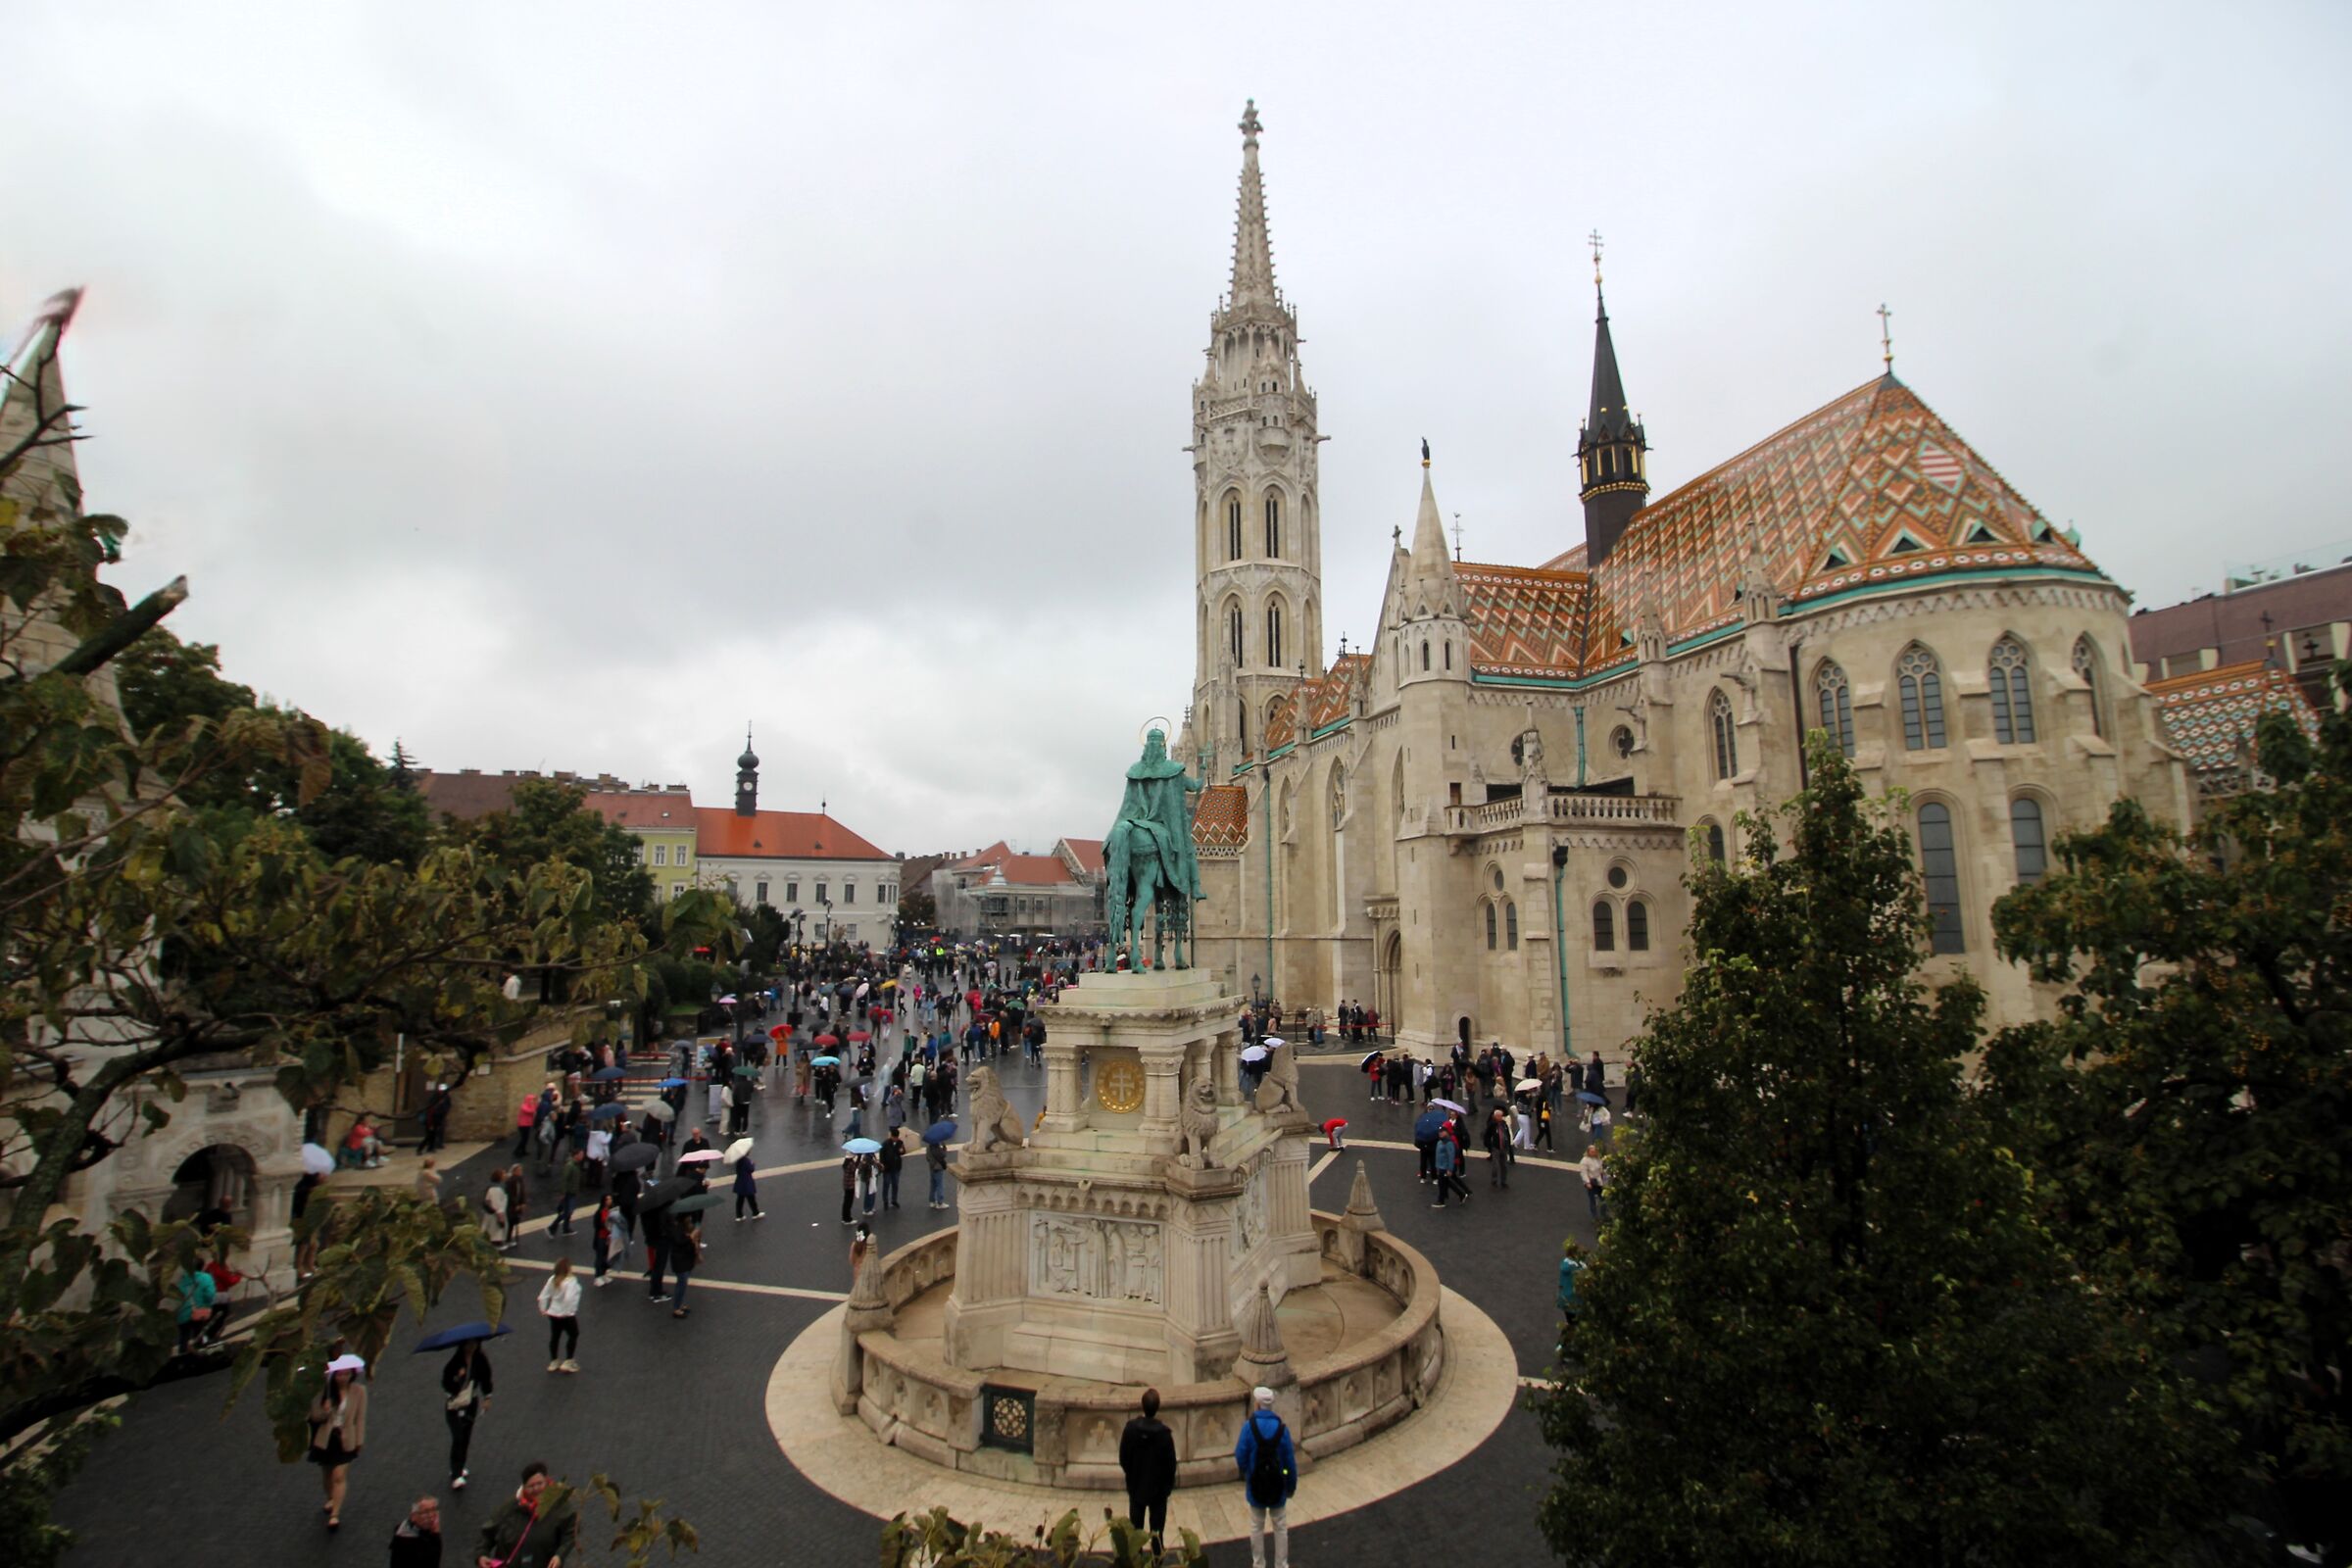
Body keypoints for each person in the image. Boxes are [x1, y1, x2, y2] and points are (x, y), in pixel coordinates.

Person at [1232, 1386, 1296, 1568]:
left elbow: (1240, 1455)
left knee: (1256, 1526)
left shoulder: (1249, 1427)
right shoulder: (1282, 1429)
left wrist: (1248, 1473)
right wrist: (1290, 1485)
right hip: (1278, 1485)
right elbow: (1289, 1463)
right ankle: (1281, 1564)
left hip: (1256, 1485)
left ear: (1257, 1404)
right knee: (1280, 1526)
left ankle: (1259, 1564)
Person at [473, 1461, 577, 1568]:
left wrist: (559, 1556)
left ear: (546, 1482)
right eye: (531, 1486)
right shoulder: (510, 1508)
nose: (536, 1489)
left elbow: (570, 1534)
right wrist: (482, 1554)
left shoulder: (560, 1507)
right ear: (524, 1487)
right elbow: (487, 1533)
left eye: (540, 1484)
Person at [307, 1353, 368, 1531]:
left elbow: (360, 1418)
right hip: (327, 1439)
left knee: (339, 1475)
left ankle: (335, 1514)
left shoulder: (359, 1391)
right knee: (327, 1475)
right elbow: (315, 1416)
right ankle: (331, 1498)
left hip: (346, 1439)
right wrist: (325, 1410)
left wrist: (359, 1439)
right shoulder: (324, 1392)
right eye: (340, 1374)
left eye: (347, 1374)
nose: (343, 1377)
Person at [1118, 1387, 1178, 1552]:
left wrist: (1131, 1475)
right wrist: (1166, 1488)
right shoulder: (1164, 1434)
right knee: (1157, 1536)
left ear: (1142, 1405)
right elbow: (1171, 1465)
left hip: (1136, 1487)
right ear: (1157, 1407)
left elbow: (1123, 1458)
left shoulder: (1130, 1429)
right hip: (1158, 1492)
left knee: (1135, 1535)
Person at [441, 1338, 493, 1492]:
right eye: (469, 1344)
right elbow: (446, 1383)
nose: (472, 1346)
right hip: (454, 1405)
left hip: (470, 1403)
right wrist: (458, 1379)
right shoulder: (454, 1363)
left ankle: (459, 1466)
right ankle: (456, 1473)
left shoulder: (480, 1359)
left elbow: (486, 1378)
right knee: (458, 1436)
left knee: (465, 1436)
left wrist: (487, 1397)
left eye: (474, 1343)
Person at [537, 1257, 581, 1373]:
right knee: (574, 1334)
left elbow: (543, 1296)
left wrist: (543, 1309)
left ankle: (554, 1361)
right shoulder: (571, 1281)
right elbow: (569, 1298)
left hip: (553, 1313)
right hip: (566, 1315)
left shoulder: (552, 1279)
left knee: (555, 1337)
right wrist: (569, 1311)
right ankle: (569, 1361)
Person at [388, 1494, 442, 1567]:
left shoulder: (418, 1529)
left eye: (433, 1510)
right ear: (414, 1516)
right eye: (426, 1512)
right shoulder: (406, 1541)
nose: (431, 1516)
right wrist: (435, 1536)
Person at [668, 1212, 702, 1319]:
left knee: (683, 1283)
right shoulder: (677, 1229)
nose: (690, 1218)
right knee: (682, 1283)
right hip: (680, 1260)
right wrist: (691, 1236)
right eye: (688, 1217)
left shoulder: (685, 1227)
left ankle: (680, 1304)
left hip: (685, 1259)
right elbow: (680, 1242)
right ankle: (677, 1308)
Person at [1431, 1123, 1470, 1207]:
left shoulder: (1448, 1143)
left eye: (1442, 1132)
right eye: (1439, 1132)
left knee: (1442, 1184)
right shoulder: (1440, 1142)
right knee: (1447, 1183)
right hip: (1440, 1166)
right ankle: (1461, 1194)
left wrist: (1450, 1169)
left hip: (1445, 1167)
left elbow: (1451, 1156)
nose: (1440, 1133)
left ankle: (1441, 1200)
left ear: (1446, 1132)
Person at [554, 1150, 584, 1236]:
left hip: (572, 1192)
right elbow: (564, 1179)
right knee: (568, 1211)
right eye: (581, 1154)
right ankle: (552, 1226)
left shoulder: (575, 1165)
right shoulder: (570, 1165)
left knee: (568, 1211)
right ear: (575, 1155)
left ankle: (566, 1229)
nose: (582, 1156)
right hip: (568, 1193)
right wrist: (563, 1193)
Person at [1558, 1240, 1589, 1321]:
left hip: (1565, 1298)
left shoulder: (1565, 1264)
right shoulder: (1580, 1266)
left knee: (1570, 1320)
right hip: (1577, 1299)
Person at [481, 1169, 511, 1250]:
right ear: (499, 1177)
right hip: (495, 1215)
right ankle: (496, 1244)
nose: (506, 1175)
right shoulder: (497, 1189)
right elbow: (496, 1203)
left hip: (493, 1214)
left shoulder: (494, 1187)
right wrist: (500, 1217)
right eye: (503, 1174)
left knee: (491, 1229)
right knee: (495, 1230)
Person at [591, 1196, 615, 1287]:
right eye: (608, 1199)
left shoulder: (612, 1211)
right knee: (600, 1257)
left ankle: (604, 1274)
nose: (610, 1201)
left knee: (606, 1257)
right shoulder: (599, 1212)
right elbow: (597, 1225)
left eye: (610, 1199)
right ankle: (597, 1276)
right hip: (601, 1237)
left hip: (609, 1237)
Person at [732, 1152, 763, 1221]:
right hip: (747, 1182)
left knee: (740, 1199)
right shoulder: (746, 1160)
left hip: (740, 1182)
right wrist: (752, 1164)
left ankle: (739, 1215)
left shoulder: (738, 1160)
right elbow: (751, 1169)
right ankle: (755, 1213)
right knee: (751, 1198)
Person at [878, 1131, 904, 1210]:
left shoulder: (900, 1142)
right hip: (887, 1168)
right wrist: (882, 1165)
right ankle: (885, 1201)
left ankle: (894, 1200)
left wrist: (902, 1151)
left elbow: (903, 1151)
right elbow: (881, 1156)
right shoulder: (885, 1144)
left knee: (895, 1184)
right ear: (891, 1136)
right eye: (894, 1137)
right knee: (886, 1184)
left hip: (896, 1167)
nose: (895, 1139)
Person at [1581, 1144, 1607, 1219]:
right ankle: (1594, 1216)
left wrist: (1604, 1180)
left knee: (1603, 1199)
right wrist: (1587, 1182)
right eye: (1592, 1151)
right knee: (1593, 1200)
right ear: (1588, 1152)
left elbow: (1601, 1170)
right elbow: (1584, 1173)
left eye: (1595, 1151)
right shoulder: (1584, 1161)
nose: (1594, 1153)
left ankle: (1604, 1214)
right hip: (1592, 1182)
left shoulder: (1598, 1159)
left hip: (1599, 1182)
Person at [926, 1132, 950, 1210]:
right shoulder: (936, 1147)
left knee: (933, 1185)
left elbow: (927, 1158)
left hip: (931, 1167)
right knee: (940, 1185)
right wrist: (944, 1147)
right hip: (938, 1168)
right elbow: (943, 1155)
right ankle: (940, 1202)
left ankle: (932, 1201)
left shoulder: (928, 1147)